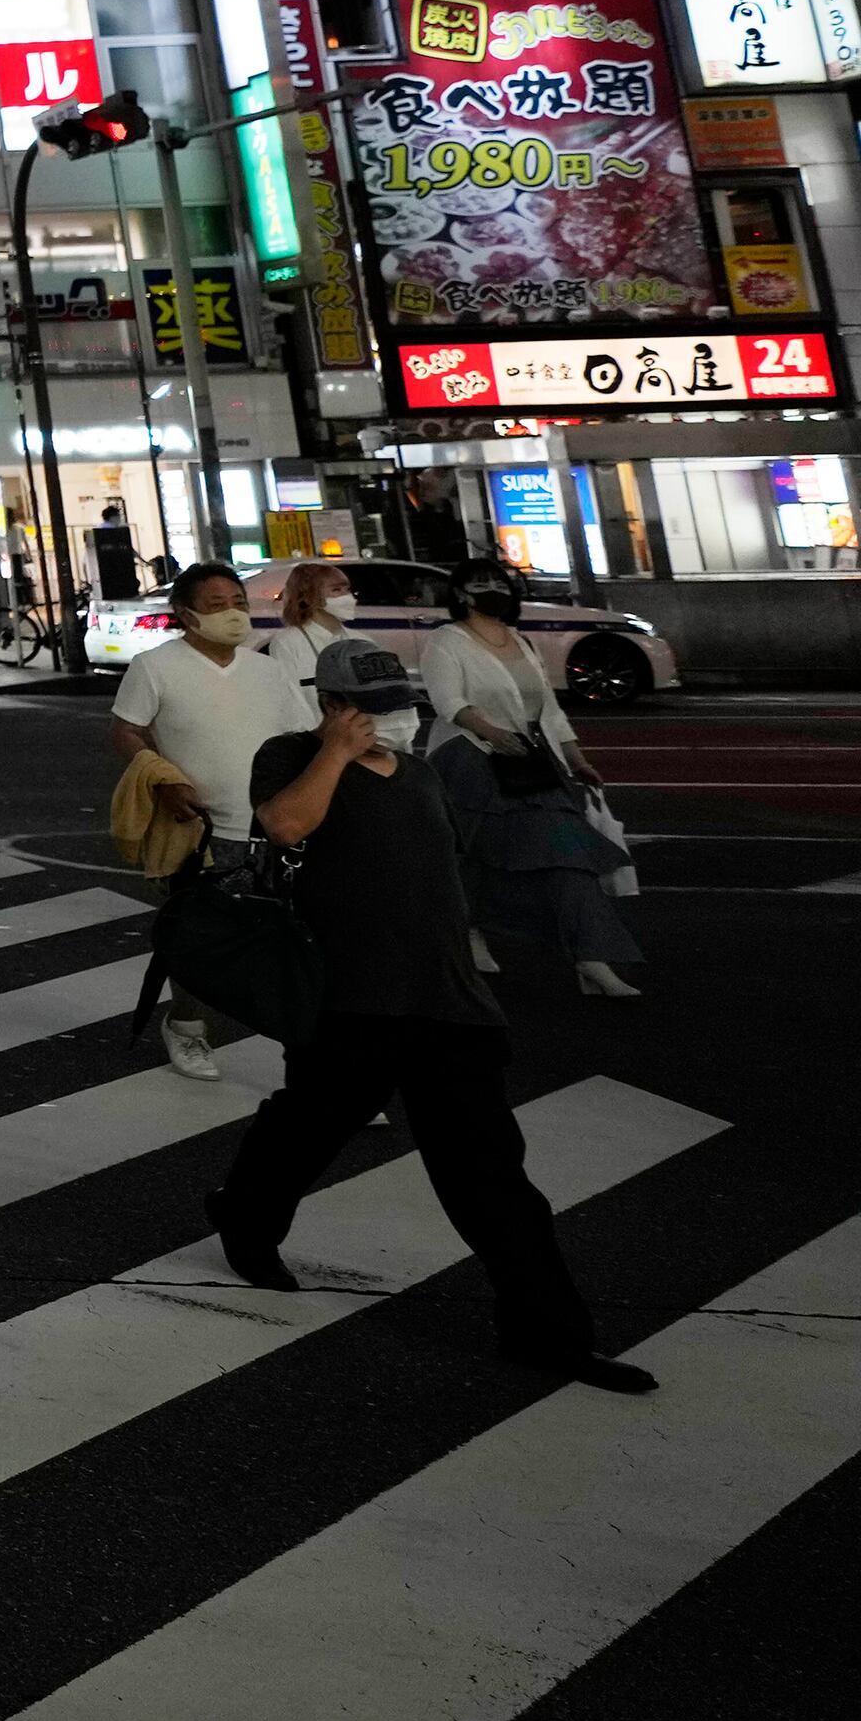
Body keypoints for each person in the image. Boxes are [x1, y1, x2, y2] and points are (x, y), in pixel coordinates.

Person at [207, 638, 657, 1394]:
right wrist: (336, 753)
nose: (393, 722)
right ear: (333, 706)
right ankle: (245, 1217)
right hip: (348, 999)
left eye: (398, 707)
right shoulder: (289, 756)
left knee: (491, 1174)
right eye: (372, 710)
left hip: (449, 1004)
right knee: (310, 1127)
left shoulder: (418, 773)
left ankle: (548, 1334)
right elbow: (284, 827)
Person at [108, 561, 316, 1079]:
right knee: (201, 943)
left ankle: (318, 1064)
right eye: (217, 606)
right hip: (200, 835)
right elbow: (126, 731)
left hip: (276, 831)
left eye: (239, 604)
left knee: (298, 947)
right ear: (185, 614)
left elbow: (302, 738)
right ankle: (186, 1027)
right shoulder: (156, 666)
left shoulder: (269, 670)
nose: (233, 615)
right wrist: (161, 778)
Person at [425, 570, 642, 997]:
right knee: (476, 856)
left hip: (531, 762)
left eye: (503, 586)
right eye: (483, 585)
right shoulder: (446, 641)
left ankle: (590, 957)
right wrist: (492, 733)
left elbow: (549, 706)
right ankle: (471, 930)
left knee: (566, 855)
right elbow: (448, 701)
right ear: (461, 594)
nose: (495, 593)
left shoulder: (519, 641)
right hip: (471, 759)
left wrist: (577, 758)